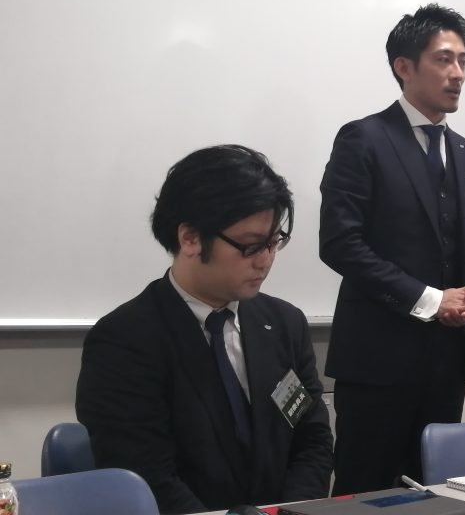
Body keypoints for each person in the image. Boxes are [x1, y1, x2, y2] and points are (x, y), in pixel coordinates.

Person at [76, 145, 333, 515]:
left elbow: (312, 441)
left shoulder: (284, 324)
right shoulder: (124, 341)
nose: (265, 260)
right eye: (251, 246)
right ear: (190, 239)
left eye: (274, 242)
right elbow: (146, 476)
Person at [320, 3, 465, 493]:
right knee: (366, 494)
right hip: (377, 364)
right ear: (404, 67)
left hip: (448, 363)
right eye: (444, 59)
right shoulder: (364, 139)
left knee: (434, 495)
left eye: (463, 60)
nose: (458, 73)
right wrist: (432, 300)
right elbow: (340, 243)